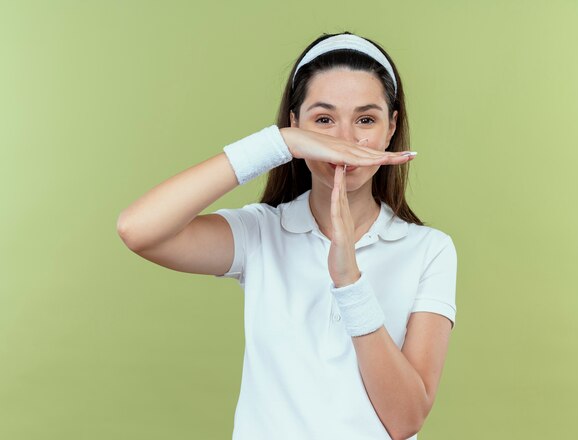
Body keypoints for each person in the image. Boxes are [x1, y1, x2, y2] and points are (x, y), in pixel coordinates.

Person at [117, 31, 458, 440]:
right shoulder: (260, 232)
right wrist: (278, 143)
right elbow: (137, 229)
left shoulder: (429, 250)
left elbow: (405, 420)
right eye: (323, 120)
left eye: (365, 119)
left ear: (391, 128)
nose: (345, 140)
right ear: (295, 125)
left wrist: (350, 284)